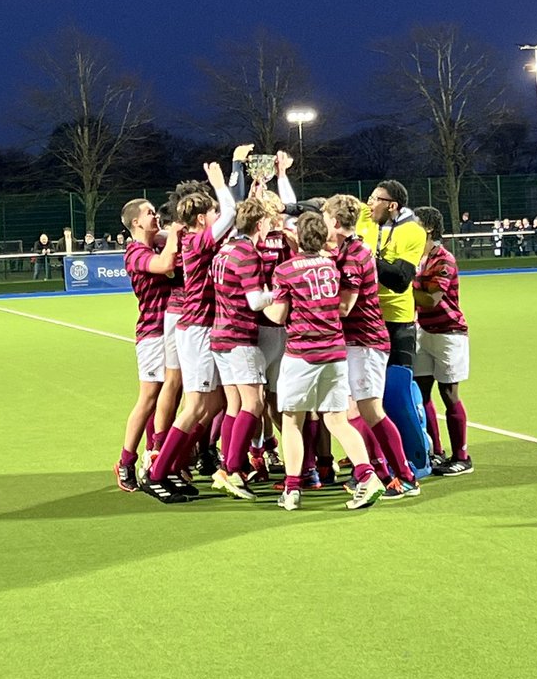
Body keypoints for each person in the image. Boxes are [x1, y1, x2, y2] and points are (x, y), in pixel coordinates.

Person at [263, 211, 385, 512]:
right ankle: (367, 476)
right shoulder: (333, 265)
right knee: (336, 420)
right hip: (334, 352)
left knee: (293, 420)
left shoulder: (285, 270)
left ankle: (291, 490)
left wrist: (262, 302)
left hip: (302, 354)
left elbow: (278, 316)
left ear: (298, 237)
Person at [142, 162, 236, 503]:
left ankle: (176, 463)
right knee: (196, 405)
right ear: (199, 220)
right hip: (195, 329)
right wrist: (220, 184)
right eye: (209, 213)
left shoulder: (196, 240)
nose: (215, 216)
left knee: (212, 402)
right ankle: (157, 472)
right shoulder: (197, 242)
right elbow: (230, 214)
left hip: (200, 327)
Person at [324, 193, 421, 499]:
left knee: (371, 411)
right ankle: (378, 472)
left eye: (326, 218)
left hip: (364, 341)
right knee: (354, 409)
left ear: (336, 222)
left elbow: (344, 308)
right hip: (357, 341)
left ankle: (404, 477)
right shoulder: (348, 250)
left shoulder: (354, 254)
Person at [114, 198, 184, 497]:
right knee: (149, 397)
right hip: (153, 332)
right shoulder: (135, 252)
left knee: (174, 393)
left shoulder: (158, 240)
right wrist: (175, 236)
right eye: (149, 213)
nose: (156, 216)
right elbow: (165, 265)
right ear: (135, 223)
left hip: (173, 330)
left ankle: (158, 456)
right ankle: (126, 461)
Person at [210, 196, 274, 499]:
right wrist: (278, 293)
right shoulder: (248, 253)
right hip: (240, 337)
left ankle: (227, 465)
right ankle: (232, 469)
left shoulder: (223, 251)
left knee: (235, 405)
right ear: (260, 224)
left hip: (220, 335)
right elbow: (254, 301)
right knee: (254, 403)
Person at [411, 206, 473, 476]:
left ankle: (462, 456)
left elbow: (432, 298)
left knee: (449, 394)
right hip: (423, 330)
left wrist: (404, 284)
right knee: (422, 392)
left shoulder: (443, 259)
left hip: (449, 332)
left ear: (428, 228)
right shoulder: (416, 257)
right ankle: (436, 451)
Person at [355, 180, 427, 371]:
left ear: (392, 205)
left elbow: (401, 281)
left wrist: (364, 256)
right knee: (366, 387)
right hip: (365, 317)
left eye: (375, 199)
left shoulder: (414, 232)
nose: (369, 203)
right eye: (369, 198)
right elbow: (329, 205)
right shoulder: (365, 215)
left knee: (398, 386)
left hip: (398, 320)